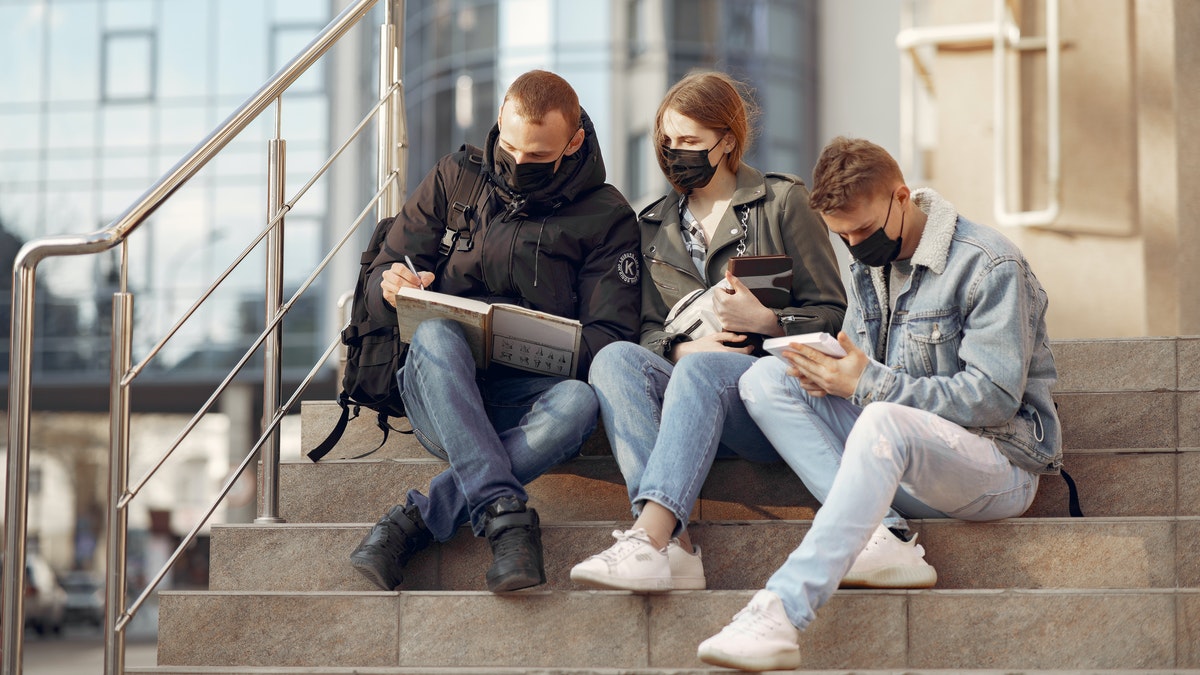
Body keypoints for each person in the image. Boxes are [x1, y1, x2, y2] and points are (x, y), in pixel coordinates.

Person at [696, 136, 1062, 670]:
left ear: (902, 197)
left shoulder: (989, 264)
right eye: (843, 237)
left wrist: (866, 383)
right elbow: (863, 375)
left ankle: (779, 612)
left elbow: (993, 401)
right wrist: (828, 373)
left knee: (885, 416)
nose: (855, 247)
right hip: (898, 460)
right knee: (765, 381)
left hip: (997, 467)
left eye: (864, 231)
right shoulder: (869, 268)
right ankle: (882, 536)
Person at [349, 70, 641, 594]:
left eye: (537, 156)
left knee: (578, 402)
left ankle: (415, 520)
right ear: (498, 121)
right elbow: (377, 279)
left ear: (573, 142)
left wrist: (524, 337)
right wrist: (390, 288)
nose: (517, 164)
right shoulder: (454, 177)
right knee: (438, 335)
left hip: (526, 394)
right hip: (439, 388)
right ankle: (505, 518)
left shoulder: (607, 216)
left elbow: (610, 339)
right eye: (508, 147)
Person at [568, 71, 846, 592]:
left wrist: (767, 323)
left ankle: (650, 539)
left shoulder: (783, 203)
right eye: (667, 142)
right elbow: (643, 328)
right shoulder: (648, 226)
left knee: (702, 369)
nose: (675, 153)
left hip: (760, 404)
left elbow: (831, 311)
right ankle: (675, 547)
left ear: (727, 142)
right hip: (684, 397)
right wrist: (678, 347)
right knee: (612, 359)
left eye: (690, 142)